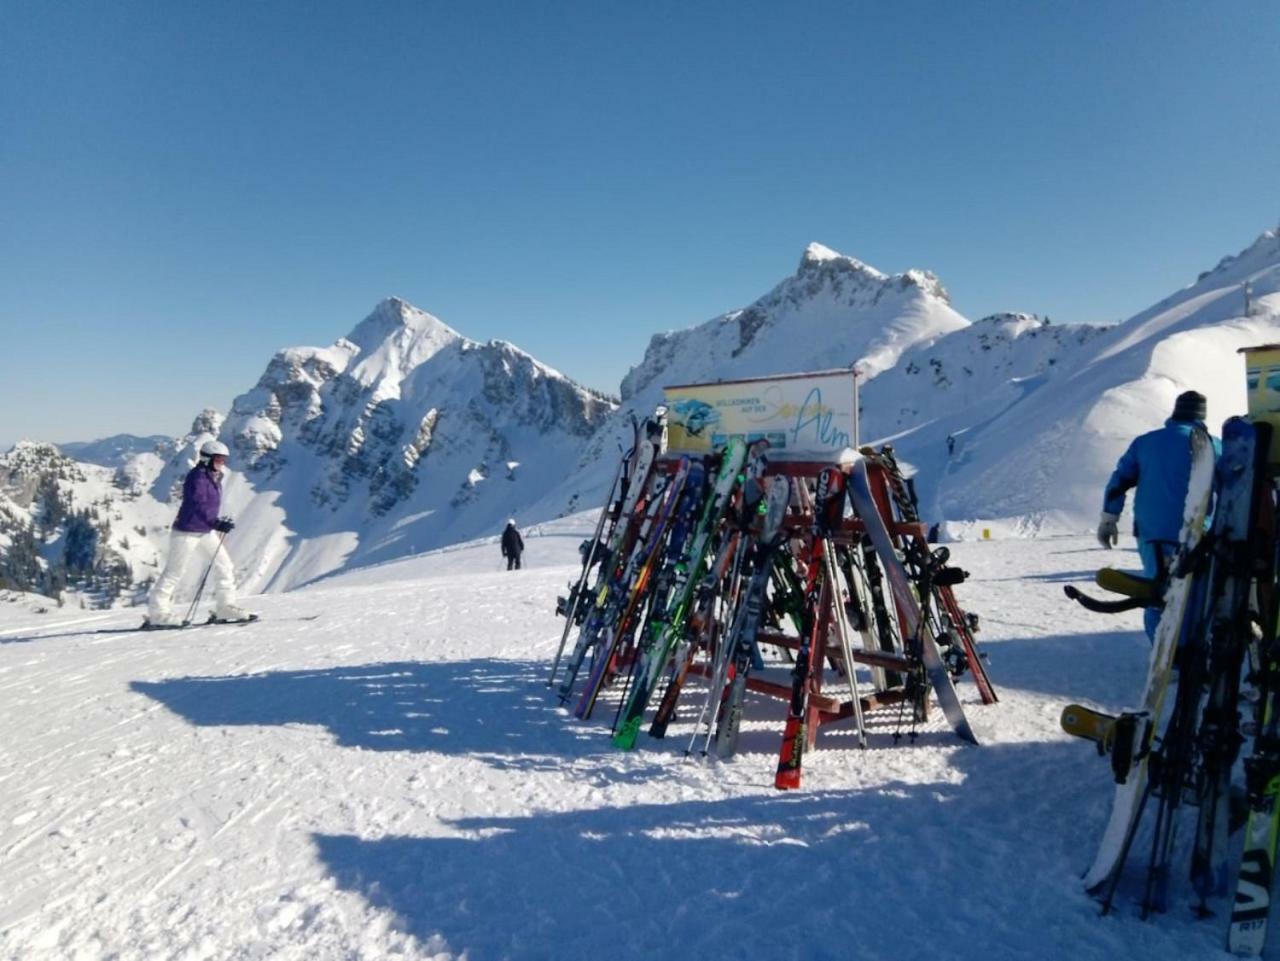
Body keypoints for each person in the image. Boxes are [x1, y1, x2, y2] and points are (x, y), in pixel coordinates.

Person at [1097, 390, 1219, 639]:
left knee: (1155, 591)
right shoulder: (1213, 446)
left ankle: (1163, 656)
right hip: (1197, 532)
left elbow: (1119, 482)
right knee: (1192, 594)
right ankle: (1187, 653)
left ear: (1175, 412)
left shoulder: (1145, 443)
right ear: (1202, 416)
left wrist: (1109, 519)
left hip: (1151, 532)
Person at [147, 440, 253, 626]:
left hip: (205, 530)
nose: (222, 463)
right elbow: (197, 505)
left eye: (224, 460)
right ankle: (158, 614)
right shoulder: (197, 478)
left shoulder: (214, 477)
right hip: (186, 531)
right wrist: (216, 522)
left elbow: (208, 507)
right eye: (219, 459)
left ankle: (224, 607)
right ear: (207, 458)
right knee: (174, 572)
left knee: (224, 565)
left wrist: (216, 522)